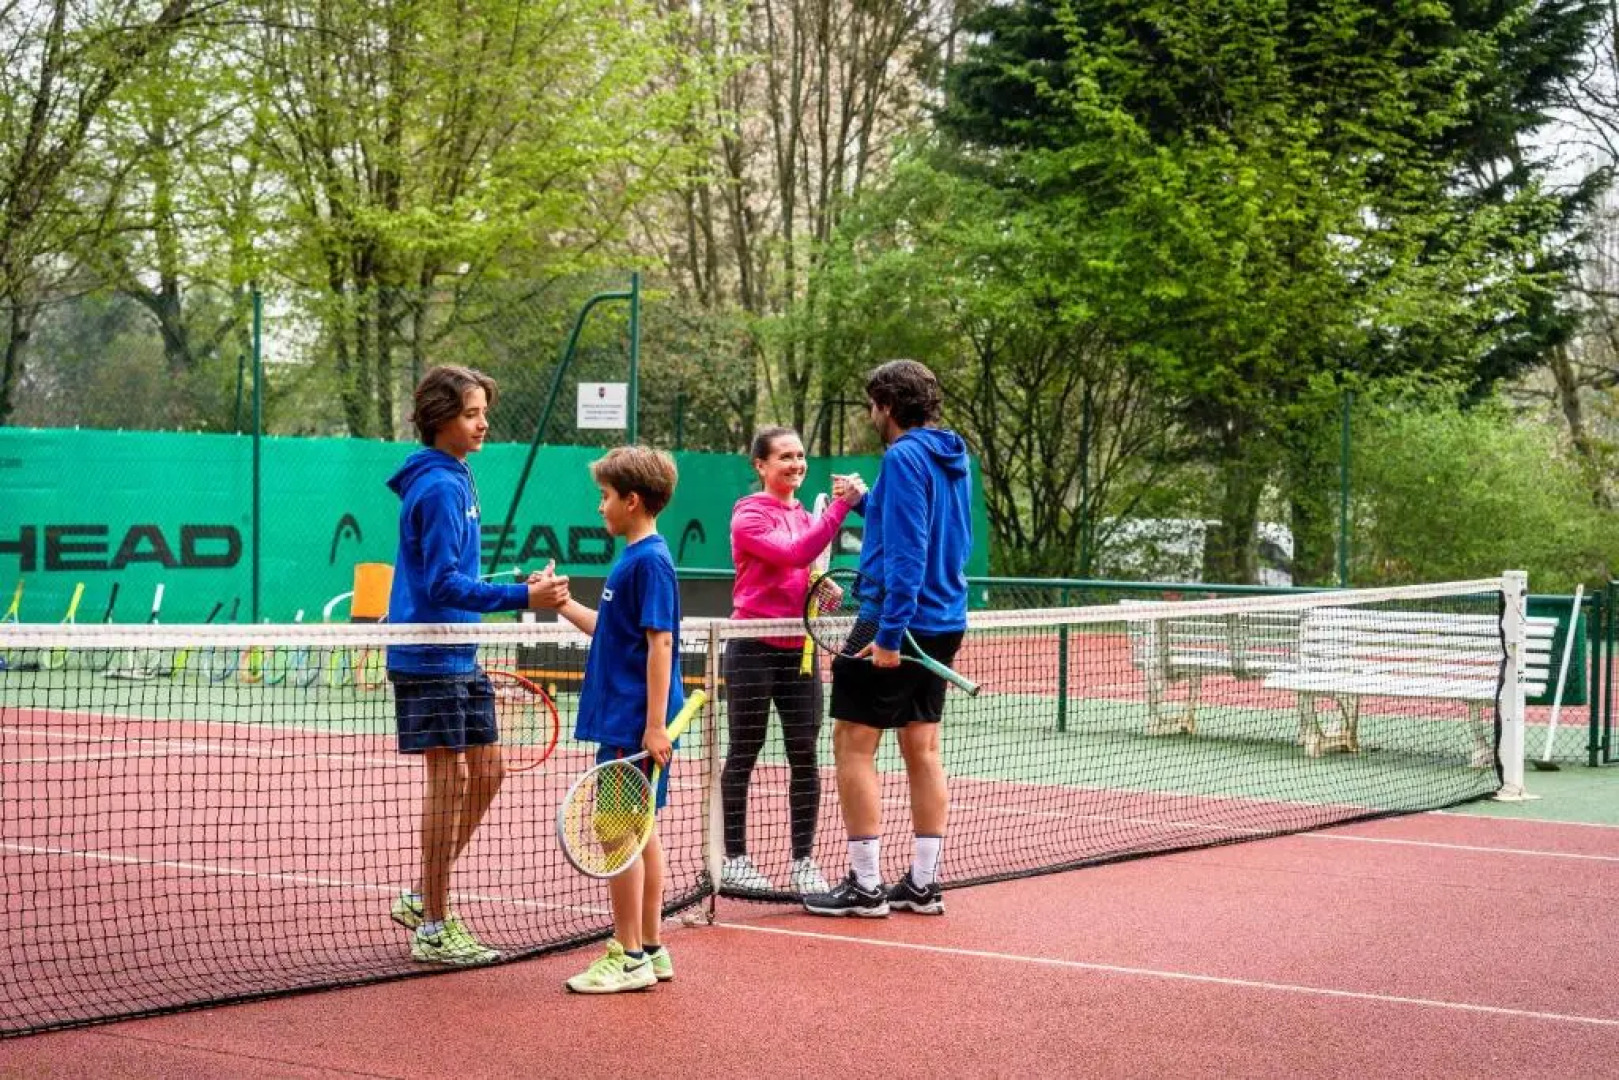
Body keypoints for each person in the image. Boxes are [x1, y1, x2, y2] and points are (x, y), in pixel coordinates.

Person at [385, 364, 571, 965]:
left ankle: (421, 891)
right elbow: (440, 583)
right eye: (472, 413)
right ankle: (435, 924)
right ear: (441, 420)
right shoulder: (438, 487)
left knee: (487, 773)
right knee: (449, 782)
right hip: (429, 653)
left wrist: (514, 584)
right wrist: (522, 600)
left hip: (460, 651)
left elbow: (454, 575)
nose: (484, 422)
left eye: (484, 410)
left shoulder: (459, 476)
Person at [802, 360, 972, 918]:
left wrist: (889, 634)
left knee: (853, 742)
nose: (872, 414)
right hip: (946, 618)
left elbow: (908, 551)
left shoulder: (901, 456)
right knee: (922, 748)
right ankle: (923, 884)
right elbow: (919, 525)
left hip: (893, 619)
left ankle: (865, 885)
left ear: (888, 406)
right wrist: (865, 499)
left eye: (873, 405)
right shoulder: (952, 453)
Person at [556, 445, 684, 994]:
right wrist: (562, 604)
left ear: (632, 501)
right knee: (640, 835)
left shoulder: (649, 561)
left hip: (631, 728)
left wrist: (653, 726)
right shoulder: (632, 559)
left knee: (617, 836)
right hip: (627, 722)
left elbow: (662, 644)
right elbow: (611, 633)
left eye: (605, 497)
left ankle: (627, 954)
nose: (600, 507)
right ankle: (651, 948)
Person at [721, 427, 864, 895]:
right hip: (751, 646)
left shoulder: (804, 514)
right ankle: (735, 859)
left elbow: (805, 572)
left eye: (800, 455)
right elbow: (794, 553)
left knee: (805, 755)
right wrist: (843, 506)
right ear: (760, 466)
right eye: (785, 456)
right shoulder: (748, 515)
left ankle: (804, 861)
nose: (796, 464)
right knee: (744, 751)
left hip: (799, 654)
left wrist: (821, 594)